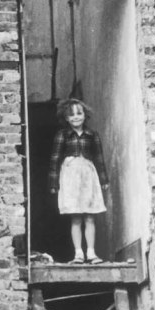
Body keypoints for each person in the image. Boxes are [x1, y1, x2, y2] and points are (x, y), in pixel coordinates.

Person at [48, 98, 109, 264]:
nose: (76, 117)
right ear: (66, 118)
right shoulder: (62, 135)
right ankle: (78, 254)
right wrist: (54, 183)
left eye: (79, 113)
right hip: (70, 176)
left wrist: (104, 179)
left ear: (85, 115)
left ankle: (91, 252)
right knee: (76, 217)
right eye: (71, 115)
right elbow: (54, 159)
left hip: (88, 175)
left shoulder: (92, 135)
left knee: (90, 216)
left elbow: (99, 158)